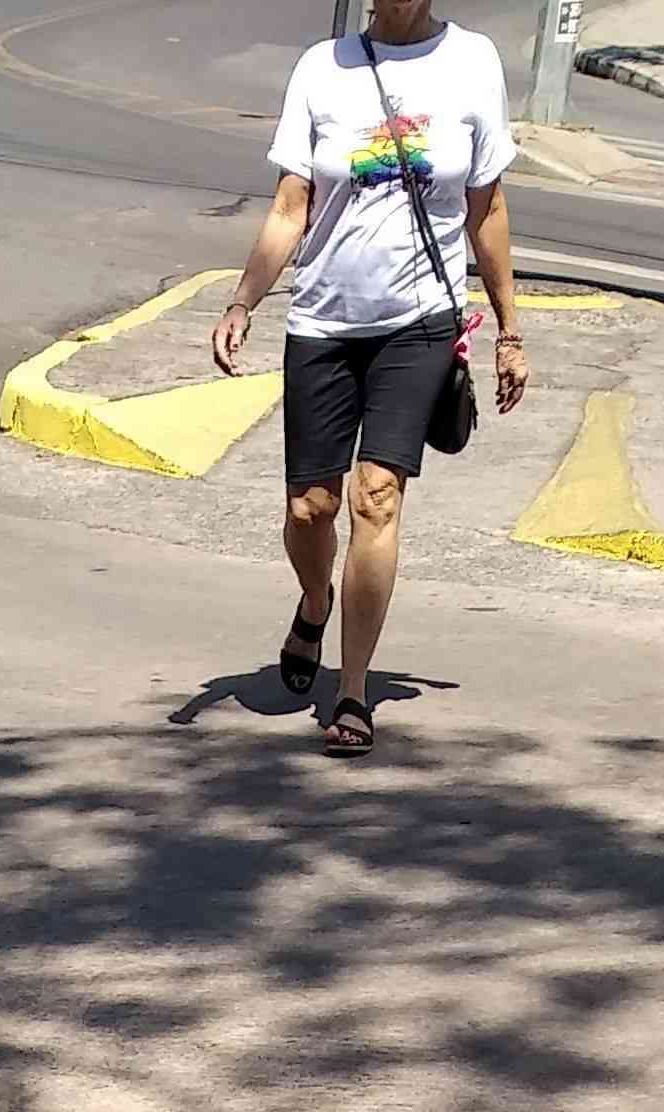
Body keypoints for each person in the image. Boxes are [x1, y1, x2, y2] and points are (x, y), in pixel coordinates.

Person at [213, 0, 529, 752]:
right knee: (310, 508)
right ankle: (314, 601)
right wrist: (243, 300)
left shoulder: (472, 62)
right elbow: (291, 205)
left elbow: (486, 208)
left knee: (376, 496)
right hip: (323, 322)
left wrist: (510, 331)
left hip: (418, 323)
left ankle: (352, 691)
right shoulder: (323, 67)